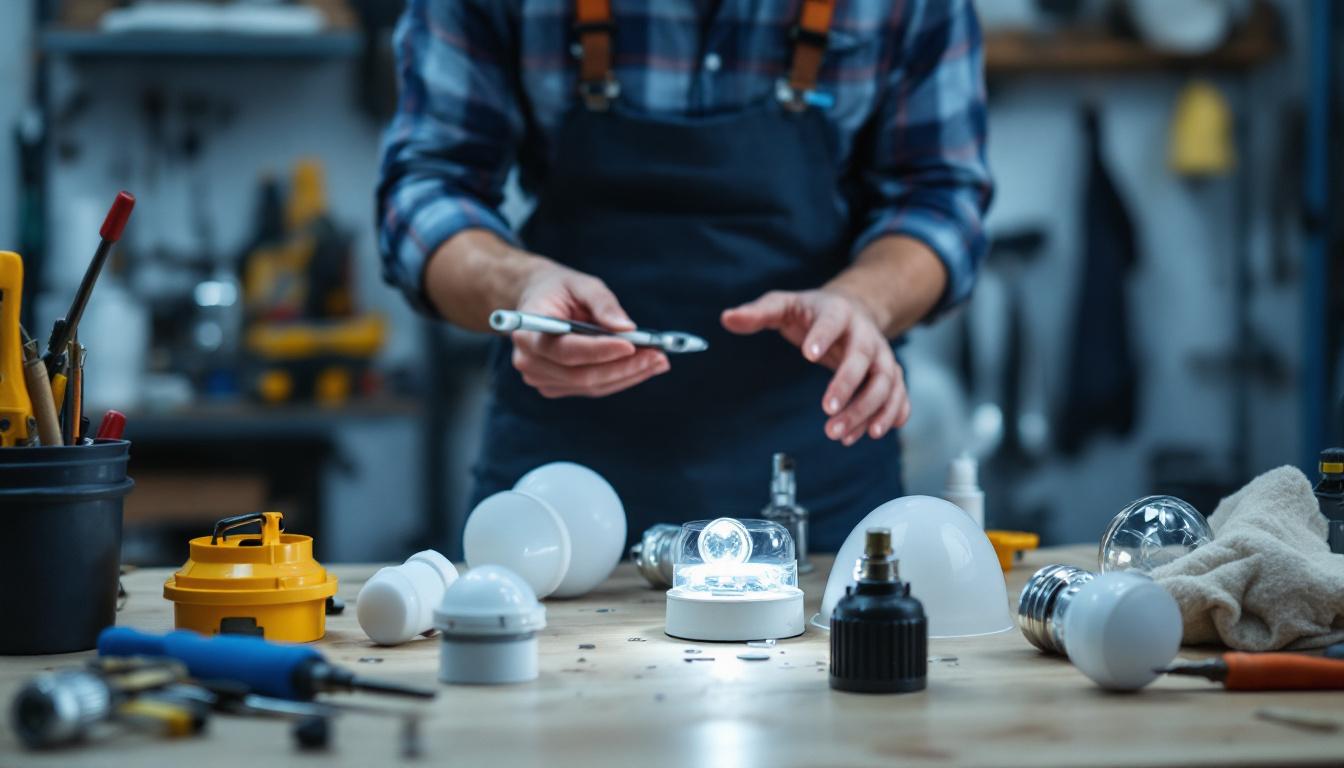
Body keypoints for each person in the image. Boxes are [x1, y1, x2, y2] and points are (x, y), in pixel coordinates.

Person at [377, 0, 992, 550]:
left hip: (820, 493)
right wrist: (518, 288)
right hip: (555, 508)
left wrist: (864, 301)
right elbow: (426, 189)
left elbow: (940, 198)